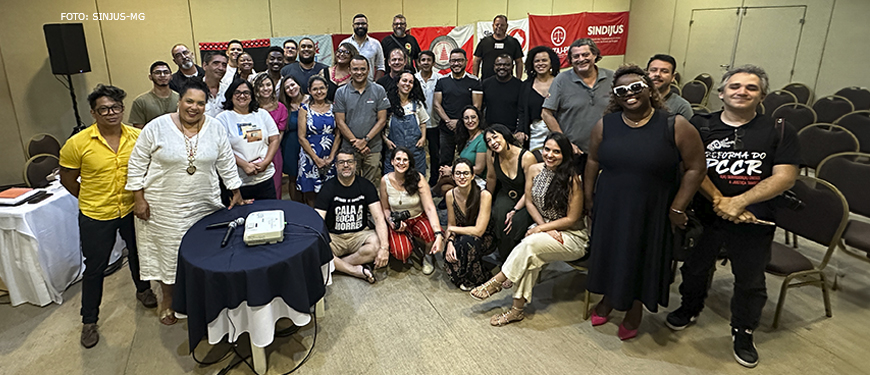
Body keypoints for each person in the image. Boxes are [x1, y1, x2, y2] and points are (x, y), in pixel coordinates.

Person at [666, 65, 800, 368]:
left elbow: (785, 177)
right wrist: (719, 200)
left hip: (753, 219)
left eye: (751, 88)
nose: (742, 92)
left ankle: (743, 330)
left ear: (762, 95)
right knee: (695, 268)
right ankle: (689, 307)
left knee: (750, 280)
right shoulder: (700, 125)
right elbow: (691, 167)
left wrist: (739, 202)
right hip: (706, 215)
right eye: (735, 86)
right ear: (722, 92)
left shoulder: (778, 129)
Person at [583, 65, 706, 341]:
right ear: (615, 96)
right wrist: (589, 197)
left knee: (640, 256)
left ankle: (634, 307)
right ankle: (608, 299)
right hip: (611, 203)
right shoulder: (606, 124)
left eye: (636, 87)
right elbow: (592, 160)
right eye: (622, 90)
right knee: (610, 253)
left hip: (652, 206)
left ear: (650, 89)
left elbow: (696, 168)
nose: (630, 94)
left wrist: (678, 207)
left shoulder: (675, 124)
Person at [127, 79, 248, 326]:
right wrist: (138, 198)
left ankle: (204, 296)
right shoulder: (156, 127)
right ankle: (168, 300)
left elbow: (225, 160)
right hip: (164, 205)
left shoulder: (214, 127)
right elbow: (137, 162)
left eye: (200, 103)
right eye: (189, 101)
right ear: (179, 101)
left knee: (205, 251)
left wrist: (236, 191)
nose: (194, 107)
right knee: (170, 255)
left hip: (204, 202)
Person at [59, 84, 157, 348]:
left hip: (132, 208)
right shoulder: (77, 143)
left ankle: (143, 290)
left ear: (122, 109)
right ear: (93, 113)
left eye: (115, 107)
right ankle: (89, 320)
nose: (111, 113)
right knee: (95, 267)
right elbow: (67, 178)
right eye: (104, 109)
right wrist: (90, 197)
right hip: (96, 213)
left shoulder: (138, 136)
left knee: (139, 253)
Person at [469, 133, 587, 326]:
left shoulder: (573, 179)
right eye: (547, 149)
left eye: (556, 152)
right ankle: (516, 310)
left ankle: (498, 281)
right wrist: (543, 228)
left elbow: (572, 218)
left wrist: (542, 229)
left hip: (572, 236)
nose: (550, 155)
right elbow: (530, 202)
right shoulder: (534, 169)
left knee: (530, 244)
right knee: (531, 253)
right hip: (545, 228)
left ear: (565, 155)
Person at [315, 148, 390, 284]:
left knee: (377, 245)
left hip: (359, 235)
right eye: (342, 162)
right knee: (317, 249)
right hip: (335, 237)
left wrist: (385, 248)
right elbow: (318, 221)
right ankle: (354, 270)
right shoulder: (327, 188)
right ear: (336, 165)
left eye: (350, 162)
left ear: (355, 164)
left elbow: (379, 218)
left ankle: (336, 266)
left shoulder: (366, 186)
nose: (346, 165)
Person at [541, 38, 614, 153]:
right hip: (575, 152)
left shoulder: (612, 77)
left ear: (595, 55)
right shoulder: (561, 80)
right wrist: (564, 143)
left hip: (608, 148)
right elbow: (546, 113)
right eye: (576, 56)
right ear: (570, 59)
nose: (581, 59)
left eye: (585, 55)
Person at [379, 147, 443, 274]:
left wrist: (438, 233)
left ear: (409, 163)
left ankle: (427, 256)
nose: (401, 163)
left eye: (405, 160)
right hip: (398, 220)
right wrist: (391, 222)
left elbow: (430, 207)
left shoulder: (418, 178)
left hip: (418, 217)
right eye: (398, 159)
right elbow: (385, 208)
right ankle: (411, 242)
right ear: (392, 161)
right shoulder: (384, 181)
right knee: (401, 252)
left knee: (431, 234)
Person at [216, 80, 281, 202]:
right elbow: (222, 149)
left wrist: (266, 162)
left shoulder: (262, 114)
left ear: (252, 96)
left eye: (246, 92)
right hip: (238, 182)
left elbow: (274, 138)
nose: (242, 96)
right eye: (237, 92)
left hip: (264, 178)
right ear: (230, 95)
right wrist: (244, 165)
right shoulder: (222, 119)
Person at [334, 55, 390, 186]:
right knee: (349, 183)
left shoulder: (378, 90)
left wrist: (365, 141)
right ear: (349, 70)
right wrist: (356, 143)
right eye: (355, 69)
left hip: (373, 148)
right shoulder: (341, 92)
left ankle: (370, 207)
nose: (359, 72)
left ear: (369, 69)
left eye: (363, 69)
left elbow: (382, 120)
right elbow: (340, 122)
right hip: (348, 149)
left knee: (371, 184)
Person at [484, 124, 537, 261]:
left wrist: (514, 210)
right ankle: (504, 259)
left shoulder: (526, 157)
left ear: (505, 135)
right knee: (499, 217)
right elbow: (490, 178)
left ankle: (517, 261)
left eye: (495, 137)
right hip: (506, 193)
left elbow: (531, 190)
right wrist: (485, 202)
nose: (493, 142)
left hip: (527, 197)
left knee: (516, 224)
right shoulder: (492, 155)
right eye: (489, 141)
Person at [443, 158, 493, 290]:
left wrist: (452, 230)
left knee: (467, 243)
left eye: (465, 173)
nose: (462, 177)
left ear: (472, 176)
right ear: (453, 176)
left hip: (485, 236)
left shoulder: (484, 195)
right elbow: (451, 223)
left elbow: (479, 231)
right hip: (462, 232)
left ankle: (477, 277)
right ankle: (464, 274)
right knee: (450, 253)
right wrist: (449, 243)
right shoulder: (450, 195)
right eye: (458, 173)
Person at [433, 48, 483, 168]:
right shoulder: (442, 81)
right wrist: (448, 121)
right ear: (449, 62)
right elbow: (436, 104)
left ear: (466, 61)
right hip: (446, 129)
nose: (456, 64)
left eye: (460, 60)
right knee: (444, 162)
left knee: (467, 161)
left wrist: (461, 122)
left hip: (467, 129)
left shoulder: (474, 81)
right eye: (453, 61)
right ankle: (445, 185)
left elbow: (477, 106)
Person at [298, 76, 341, 206]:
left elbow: (338, 134)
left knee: (332, 190)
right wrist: (316, 159)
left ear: (327, 89)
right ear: (309, 91)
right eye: (315, 89)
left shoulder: (335, 108)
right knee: (311, 192)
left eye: (322, 88)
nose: (319, 92)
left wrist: (332, 157)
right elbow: (301, 136)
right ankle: (314, 220)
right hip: (310, 155)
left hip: (331, 153)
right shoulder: (304, 109)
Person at [434, 105, 487, 195]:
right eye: (466, 118)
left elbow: (479, 169)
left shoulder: (482, 139)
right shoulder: (467, 137)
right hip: (466, 175)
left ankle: (429, 194)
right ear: (462, 121)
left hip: (477, 178)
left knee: (445, 184)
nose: (470, 121)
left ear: (479, 118)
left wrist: (452, 170)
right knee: (445, 183)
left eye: (473, 117)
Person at [383, 71, 428, 175]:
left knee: (417, 182)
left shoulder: (417, 104)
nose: (407, 84)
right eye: (404, 80)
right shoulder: (387, 104)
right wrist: (386, 140)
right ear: (397, 83)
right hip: (394, 151)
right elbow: (381, 124)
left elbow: (423, 122)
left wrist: (423, 138)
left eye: (410, 82)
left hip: (415, 152)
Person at [518, 46, 559, 154]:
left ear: (551, 62)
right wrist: (521, 130)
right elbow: (522, 111)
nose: (540, 63)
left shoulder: (560, 82)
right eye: (537, 61)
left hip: (558, 131)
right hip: (535, 134)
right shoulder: (526, 86)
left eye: (544, 60)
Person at [254, 74, 288, 198]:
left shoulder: (281, 108)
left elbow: (279, 136)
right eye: (261, 86)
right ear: (256, 89)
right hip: (253, 152)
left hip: (273, 152)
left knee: (275, 185)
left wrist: (268, 155)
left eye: (268, 85)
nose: (265, 88)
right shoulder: (251, 108)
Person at [415, 50, 443, 185]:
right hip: (416, 124)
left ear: (433, 62)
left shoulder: (440, 78)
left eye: (428, 60)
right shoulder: (413, 79)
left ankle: (433, 180)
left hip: (435, 122)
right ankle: (417, 179)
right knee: (417, 153)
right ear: (419, 63)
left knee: (435, 154)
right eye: (423, 60)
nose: (426, 63)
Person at [278, 75, 306, 202]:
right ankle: (297, 206)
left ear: (299, 85)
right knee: (293, 178)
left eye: (293, 85)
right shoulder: (284, 107)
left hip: (310, 143)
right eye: (287, 87)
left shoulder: (312, 100)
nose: (291, 89)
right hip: (291, 145)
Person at [129, 61, 179, 129]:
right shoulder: (140, 102)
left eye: (166, 72)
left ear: (171, 76)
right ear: (150, 77)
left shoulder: (180, 98)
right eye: (157, 73)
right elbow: (139, 130)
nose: (162, 75)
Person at [473, 15, 523, 80]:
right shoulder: (484, 42)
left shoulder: (513, 42)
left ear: (507, 26)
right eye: (497, 25)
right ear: (493, 26)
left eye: (502, 25)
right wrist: (475, 78)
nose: (499, 27)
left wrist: (518, 79)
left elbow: (519, 62)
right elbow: (476, 61)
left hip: (507, 82)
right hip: (486, 82)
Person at [482, 54, 522, 133]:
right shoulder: (486, 84)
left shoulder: (520, 85)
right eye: (498, 65)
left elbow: (522, 111)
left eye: (506, 65)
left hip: (512, 131)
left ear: (512, 67)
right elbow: (481, 107)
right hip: (490, 130)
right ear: (494, 66)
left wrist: (520, 130)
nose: (502, 67)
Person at [647, 54, 693, 120]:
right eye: (653, 70)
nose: (657, 74)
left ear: (673, 77)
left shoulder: (682, 107)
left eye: (664, 71)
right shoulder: (637, 100)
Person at [341, 14, 385, 81]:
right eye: (357, 24)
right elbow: (340, 65)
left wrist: (375, 83)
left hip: (369, 85)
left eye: (363, 24)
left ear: (367, 25)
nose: (360, 26)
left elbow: (380, 67)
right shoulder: (345, 44)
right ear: (353, 26)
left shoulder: (376, 44)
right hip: (348, 85)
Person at [202, 52, 229, 118]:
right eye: (216, 63)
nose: (221, 68)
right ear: (205, 66)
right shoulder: (193, 90)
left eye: (224, 65)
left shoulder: (228, 90)